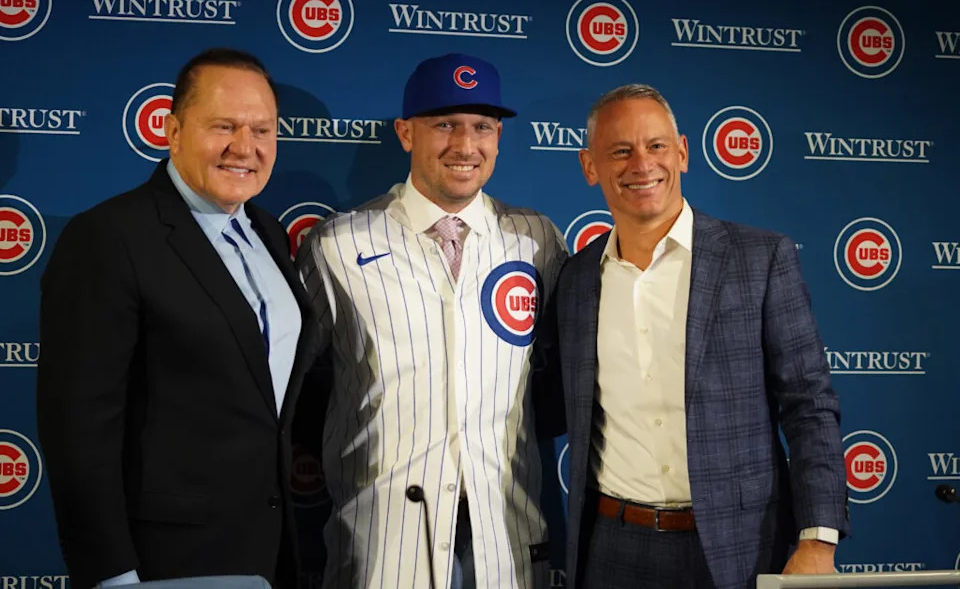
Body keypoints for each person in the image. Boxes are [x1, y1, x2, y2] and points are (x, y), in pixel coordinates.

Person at [37, 48, 318, 589]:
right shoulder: (109, 238)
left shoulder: (267, 230)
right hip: (163, 561)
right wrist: (111, 575)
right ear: (171, 129)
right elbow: (78, 430)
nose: (245, 147)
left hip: (271, 549)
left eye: (262, 130)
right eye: (223, 126)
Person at [554, 84, 848, 589]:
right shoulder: (576, 279)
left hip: (740, 548)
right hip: (610, 549)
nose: (641, 164)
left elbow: (809, 405)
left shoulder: (760, 259)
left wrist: (818, 540)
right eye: (620, 151)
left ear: (684, 152)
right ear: (589, 166)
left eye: (656, 146)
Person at [296, 53, 567, 589]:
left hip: (504, 535)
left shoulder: (537, 239)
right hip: (380, 538)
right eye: (444, 124)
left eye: (482, 127)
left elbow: (562, 376)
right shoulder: (338, 244)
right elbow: (295, 390)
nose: (465, 146)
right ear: (404, 133)